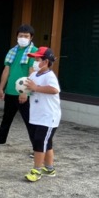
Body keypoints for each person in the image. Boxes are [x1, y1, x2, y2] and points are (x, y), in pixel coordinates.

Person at [0, 24, 39, 145]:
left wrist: (26, 92)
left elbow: (32, 72)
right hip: (10, 90)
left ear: (31, 37)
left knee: (30, 121)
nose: (23, 38)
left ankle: (37, 148)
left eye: (26, 36)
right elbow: (6, 70)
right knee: (6, 118)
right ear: (16, 36)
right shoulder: (12, 51)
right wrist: (1, 88)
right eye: (21, 35)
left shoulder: (34, 52)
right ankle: (0, 139)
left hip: (24, 93)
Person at [21, 47, 61, 182]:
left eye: (37, 59)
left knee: (39, 142)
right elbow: (28, 87)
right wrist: (24, 93)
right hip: (36, 116)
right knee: (46, 143)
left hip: (49, 116)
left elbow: (54, 89)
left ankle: (36, 170)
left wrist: (36, 88)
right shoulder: (33, 75)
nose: (35, 62)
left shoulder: (50, 75)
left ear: (46, 61)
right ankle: (49, 169)